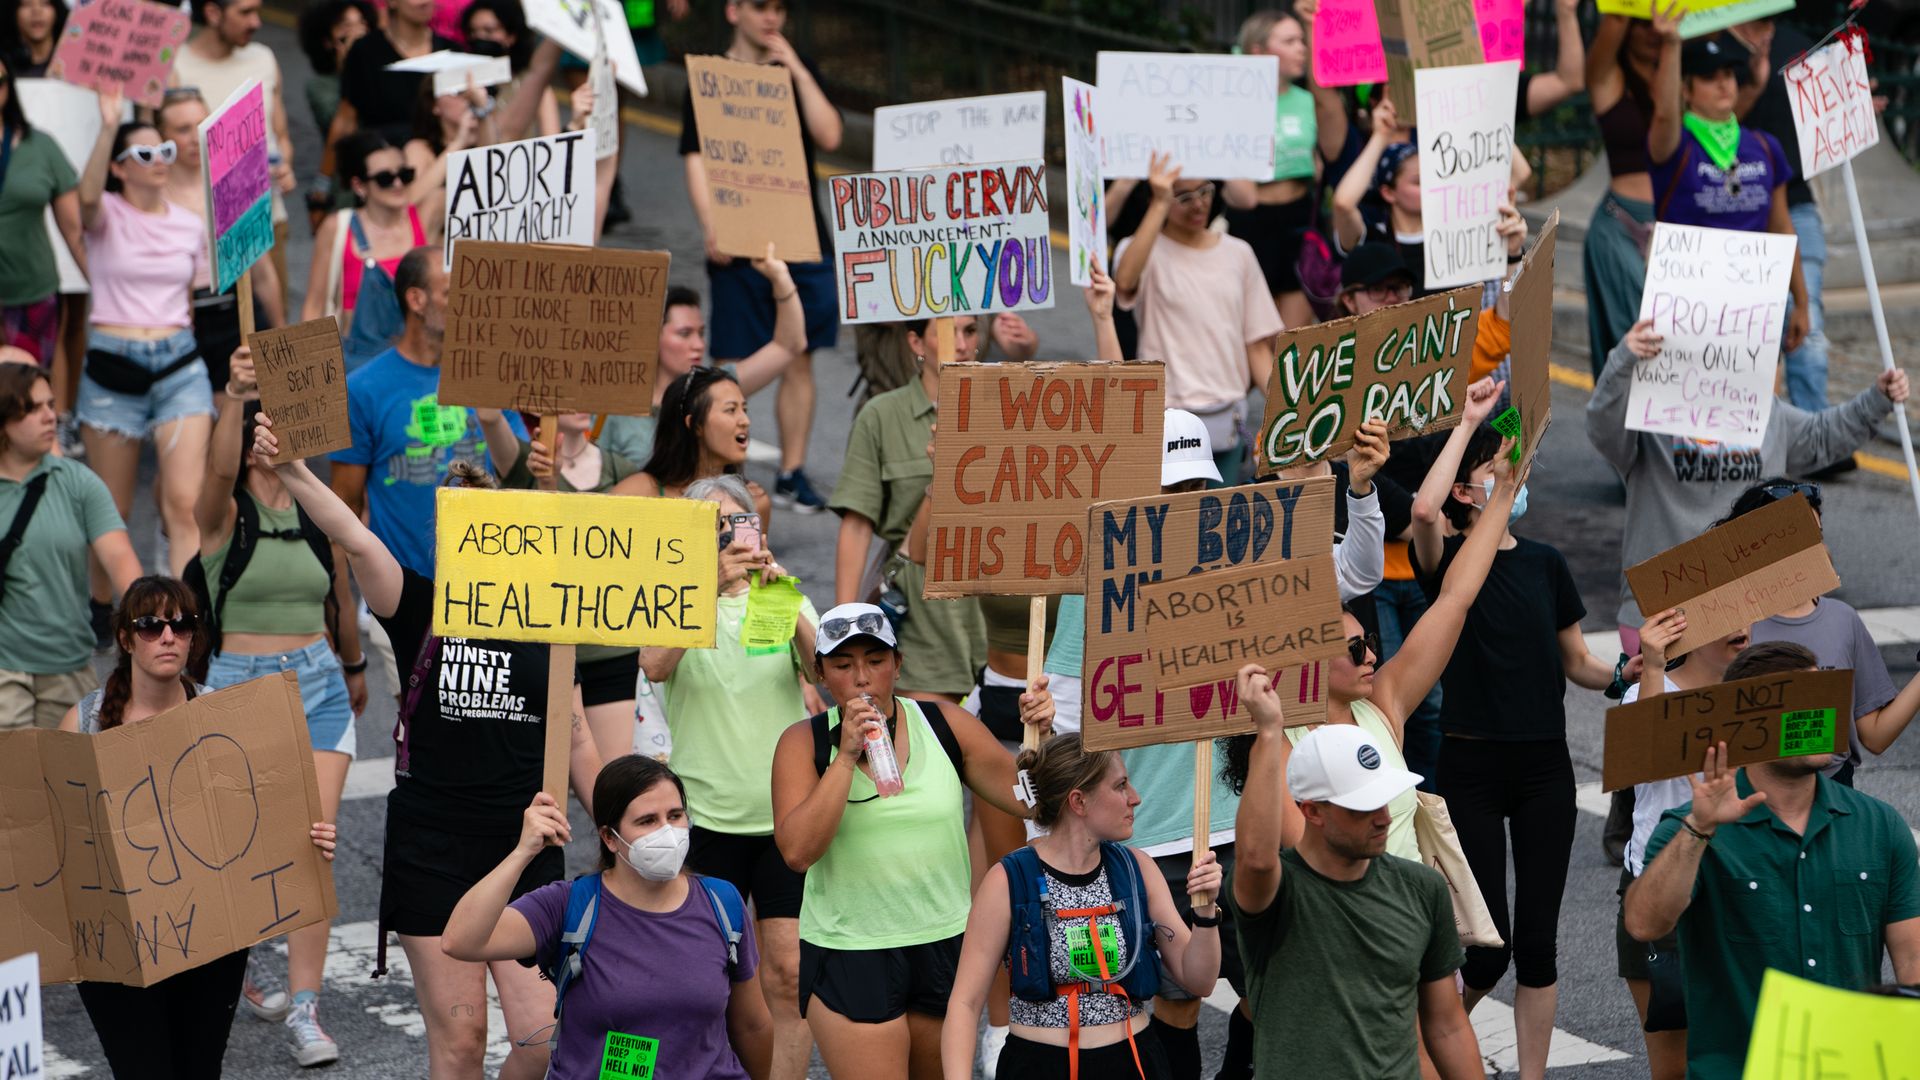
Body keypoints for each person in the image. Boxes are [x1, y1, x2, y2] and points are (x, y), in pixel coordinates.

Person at [253, 412, 600, 1080]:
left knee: (542, 1039)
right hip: (432, 848)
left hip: (525, 849)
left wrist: (622, 820)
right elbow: (352, 533)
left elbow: (578, 735)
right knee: (462, 1043)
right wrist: (293, 471)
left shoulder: (552, 627)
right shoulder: (418, 605)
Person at [58, 575, 337, 1080]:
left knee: (198, 1069)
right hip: (119, 944)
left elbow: (263, 818)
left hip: (210, 938)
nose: (167, 636)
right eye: (149, 625)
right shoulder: (83, 722)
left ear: (192, 636)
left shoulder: (225, 716)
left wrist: (308, 838)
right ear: (125, 639)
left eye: (180, 624)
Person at [1409, 411, 1618, 1080]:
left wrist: (1623, 675)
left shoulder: (1545, 564)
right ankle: (1429, 1044)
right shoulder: (1447, 565)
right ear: (1468, 493)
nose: (1515, 476)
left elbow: (1579, 662)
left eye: (1516, 465)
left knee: (1537, 944)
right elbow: (1420, 509)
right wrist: (1470, 422)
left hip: (1543, 767)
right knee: (1486, 946)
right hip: (1470, 764)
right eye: (1496, 468)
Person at [770, 604, 1045, 1079]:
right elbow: (797, 852)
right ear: (818, 672)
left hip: (941, 941)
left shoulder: (945, 724)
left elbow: (1033, 802)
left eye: (876, 661)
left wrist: (1042, 733)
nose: (862, 678)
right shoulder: (803, 743)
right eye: (842, 664)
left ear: (898, 664)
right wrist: (844, 757)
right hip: (850, 950)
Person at [1624, 641, 1920, 1080]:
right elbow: (1646, 925)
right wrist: (1698, 831)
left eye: (1826, 700)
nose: (1820, 716)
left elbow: (1912, 966)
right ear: (1749, 723)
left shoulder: (1880, 827)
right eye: (1801, 703)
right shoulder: (1688, 828)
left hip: (1853, 1067)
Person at [190, 347, 357, 1065]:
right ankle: (243, 970)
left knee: (312, 843)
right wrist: (235, 393)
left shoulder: (317, 512)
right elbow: (219, 471)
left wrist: (353, 666)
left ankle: (308, 1010)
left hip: (317, 684)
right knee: (235, 845)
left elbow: (340, 597)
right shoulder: (224, 515)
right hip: (237, 689)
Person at [1585, 317, 1907, 651]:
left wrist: (1878, 398)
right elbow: (1601, 427)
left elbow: (1820, 438)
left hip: (1752, 616)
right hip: (1664, 615)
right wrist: (1623, 359)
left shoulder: (1766, 414)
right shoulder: (1650, 418)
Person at [442, 758, 773, 1080]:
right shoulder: (569, 904)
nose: (667, 832)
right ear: (610, 838)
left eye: (675, 815)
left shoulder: (722, 902)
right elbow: (461, 940)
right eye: (647, 821)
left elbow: (751, 1025)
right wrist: (523, 852)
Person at [644, 473, 818, 1080]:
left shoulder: (778, 594)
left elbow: (828, 672)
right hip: (708, 819)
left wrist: (785, 598)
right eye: (711, 529)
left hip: (784, 819)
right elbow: (656, 666)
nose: (726, 538)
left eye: (733, 525)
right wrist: (703, 592)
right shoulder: (677, 597)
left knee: (790, 973)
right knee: (702, 974)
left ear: (754, 529)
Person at [1228, 671, 1487, 1079]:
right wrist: (1268, 732)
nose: (1383, 818)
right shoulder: (1279, 893)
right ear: (1311, 811)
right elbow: (1257, 859)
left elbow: (1448, 1025)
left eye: (1384, 798)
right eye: (1361, 807)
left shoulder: (1422, 888)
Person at [943, 733, 1223, 1080]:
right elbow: (965, 1004)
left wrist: (1206, 912)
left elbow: (1200, 980)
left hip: (1134, 1061)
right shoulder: (1009, 879)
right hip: (1039, 1066)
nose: (1134, 798)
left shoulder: (1137, 868)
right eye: (1120, 786)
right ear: (1079, 801)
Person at [328, 246, 524, 701]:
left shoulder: (489, 373)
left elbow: (519, 476)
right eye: (453, 292)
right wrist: (346, 639)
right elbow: (343, 515)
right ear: (417, 301)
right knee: (421, 745)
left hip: (494, 597)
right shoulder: (364, 390)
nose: (468, 305)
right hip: (409, 604)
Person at [679, 0, 842, 512]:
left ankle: (792, 471)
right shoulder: (710, 77)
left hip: (799, 236)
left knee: (799, 356)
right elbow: (695, 155)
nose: (771, 18)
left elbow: (831, 133)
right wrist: (713, 225)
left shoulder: (797, 70)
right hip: (738, 240)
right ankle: (726, 471)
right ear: (733, 11)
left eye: (779, 9)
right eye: (759, 7)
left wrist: (793, 66)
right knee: (732, 362)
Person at [74, 90, 213, 578]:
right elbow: (85, 197)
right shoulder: (105, 213)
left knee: (185, 503)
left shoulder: (190, 224)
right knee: (112, 512)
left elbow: (192, 300)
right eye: (145, 154)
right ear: (120, 167)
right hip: (114, 365)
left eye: (165, 152)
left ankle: (186, 620)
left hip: (179, 365)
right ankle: (105, 608)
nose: (159, 161)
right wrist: (109, 124)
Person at [1613, 606, 1748, 1080]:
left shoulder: (1762, 694)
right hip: (1661, 886)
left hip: (1742, 885)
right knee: (1673, 1066)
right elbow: (1645, 763)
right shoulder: (1647, 692)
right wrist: (1652, 665)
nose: (1741, 624)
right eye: (1727, 613)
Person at [830, 316, 986, 703]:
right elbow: (857, 525)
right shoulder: (882, 417)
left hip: (996, 616)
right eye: (950, 333)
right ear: (917, 343)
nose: (963, 345)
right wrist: (845, 631)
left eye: (970, 331)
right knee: (928, 749)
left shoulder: (1011, 409)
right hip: (922, 620)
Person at [1724, 479, 1920, 781]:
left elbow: (1875, 736)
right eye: (1796, 537)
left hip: (1833, 800)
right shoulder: (1732, 628)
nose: (1813, 548)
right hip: (1757, 799)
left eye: (1816, 536)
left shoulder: (1843, 621)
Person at [1647, 6, 1808, 356]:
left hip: (1751, 313)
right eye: (1708, 77)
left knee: (1759, 408)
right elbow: (1663, 113)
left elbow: (1781, 226)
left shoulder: (1764, 146)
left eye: (1729, 74)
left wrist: (1802, 302)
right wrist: (1672, 45)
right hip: (1687, 310)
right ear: (1686, 90)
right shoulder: (1675, 147)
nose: (1723, 82)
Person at [1114, 150, 1282, 486]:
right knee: (1173, 530)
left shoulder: (1239, 253)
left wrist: (1289, 412)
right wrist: (1160, 203)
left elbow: (1258, 346)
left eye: (1205, 190)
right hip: (1169, 421)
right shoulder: (1141, 249)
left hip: (1228, 420)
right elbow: (1125, 282)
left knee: (1221, 531)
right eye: (1183, 196)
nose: (1198, 204)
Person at [0, 363, 138, 729]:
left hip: (68, 667)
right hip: (3, 669)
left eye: (51, 404)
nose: (50, 417)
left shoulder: (79, 484)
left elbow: (120, 557)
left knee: (70, 782)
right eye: (33, 409)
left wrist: (150, 618)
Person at [598, 256, 805, 467]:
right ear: (651, 336)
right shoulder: (615, 408)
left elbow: (789, 346)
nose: (698, 344)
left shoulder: (713, 388)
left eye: (701, 333)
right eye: (685, 333)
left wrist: (781, 279)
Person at [1726, 16, 1831, 414]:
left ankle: (1812, 426)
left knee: (1808, 316)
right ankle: (1750, 431)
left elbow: (1823, 116)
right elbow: (1712, 125)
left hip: (1795, 202)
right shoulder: (1718, 49)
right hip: (1736, 206)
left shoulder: (1805, 44)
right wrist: (1754, 79)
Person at [1221, 8, 1348, 331]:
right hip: (1250, 223)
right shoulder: (1231, 101)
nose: (1301, 48)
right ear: (1258, 51)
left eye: (1302, 40)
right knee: (1249, 336)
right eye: (1290, 41)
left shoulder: (1307, 100)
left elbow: (1326, 155)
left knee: (1291, 340)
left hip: (1299, 220)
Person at [154, 88, 285, 394]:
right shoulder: (152, 191)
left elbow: (262, 272)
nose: (193, 137)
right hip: (183, 316)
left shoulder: (233, 181)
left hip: (237, 306)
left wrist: (279, 339)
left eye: (201, 125)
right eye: (182, 129)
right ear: (162, 136)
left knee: (250, 412)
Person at [171, 0, 296, 309]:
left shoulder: (263, 58)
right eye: (245, 12)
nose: (256, 22)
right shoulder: (177, 66)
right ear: (213, 13)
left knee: (270, 326)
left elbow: (280, 133)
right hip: (203, 224)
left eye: (258, 10)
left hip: (265, 216)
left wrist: (287, 166)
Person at [1583, 11, 1665, 377]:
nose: (1651, 30)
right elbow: (1614, 19)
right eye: (1642, 21)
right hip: (1619, 225)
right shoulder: (1608, 77)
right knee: (1631, 346)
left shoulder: (1679, 72)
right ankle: (1621, 433)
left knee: (1668, 347)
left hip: (1670, 226)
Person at [301, 131, 427, 343]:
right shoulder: (337, 227)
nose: (397, 184)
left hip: (418, 357)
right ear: (359, 186)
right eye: (384, 179)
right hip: (358, 363)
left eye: (404, 175)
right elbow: (314, 305)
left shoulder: (423, 217)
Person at [0, 50, 82, 369]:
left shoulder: (40, 146)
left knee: (27, 387)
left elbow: (74, 232)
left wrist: (108, 295)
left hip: (31, 291)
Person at [628, 366, 773, 523]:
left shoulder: (755, 502)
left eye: (744, 409)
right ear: (695, 424)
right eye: (731, 410)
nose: (745, 421)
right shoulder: (638, 493)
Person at [335, 0, 457, 150]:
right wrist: (327, 172)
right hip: (386, 159)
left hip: (445, 157)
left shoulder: (452, 51)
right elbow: (347, 118)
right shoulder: (365, 52)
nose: (425, 2)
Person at [459, 0, 561, 141]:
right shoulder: (462, 85)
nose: (480, 37)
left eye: (489, 30)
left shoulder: (533, 85)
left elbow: (552, 137)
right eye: (473, 32)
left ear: (511, 36)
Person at [0, 0, 64, 78]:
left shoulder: (73, 63)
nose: (36, 11)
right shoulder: (3, 67)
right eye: (26, 4)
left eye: (45, 3)